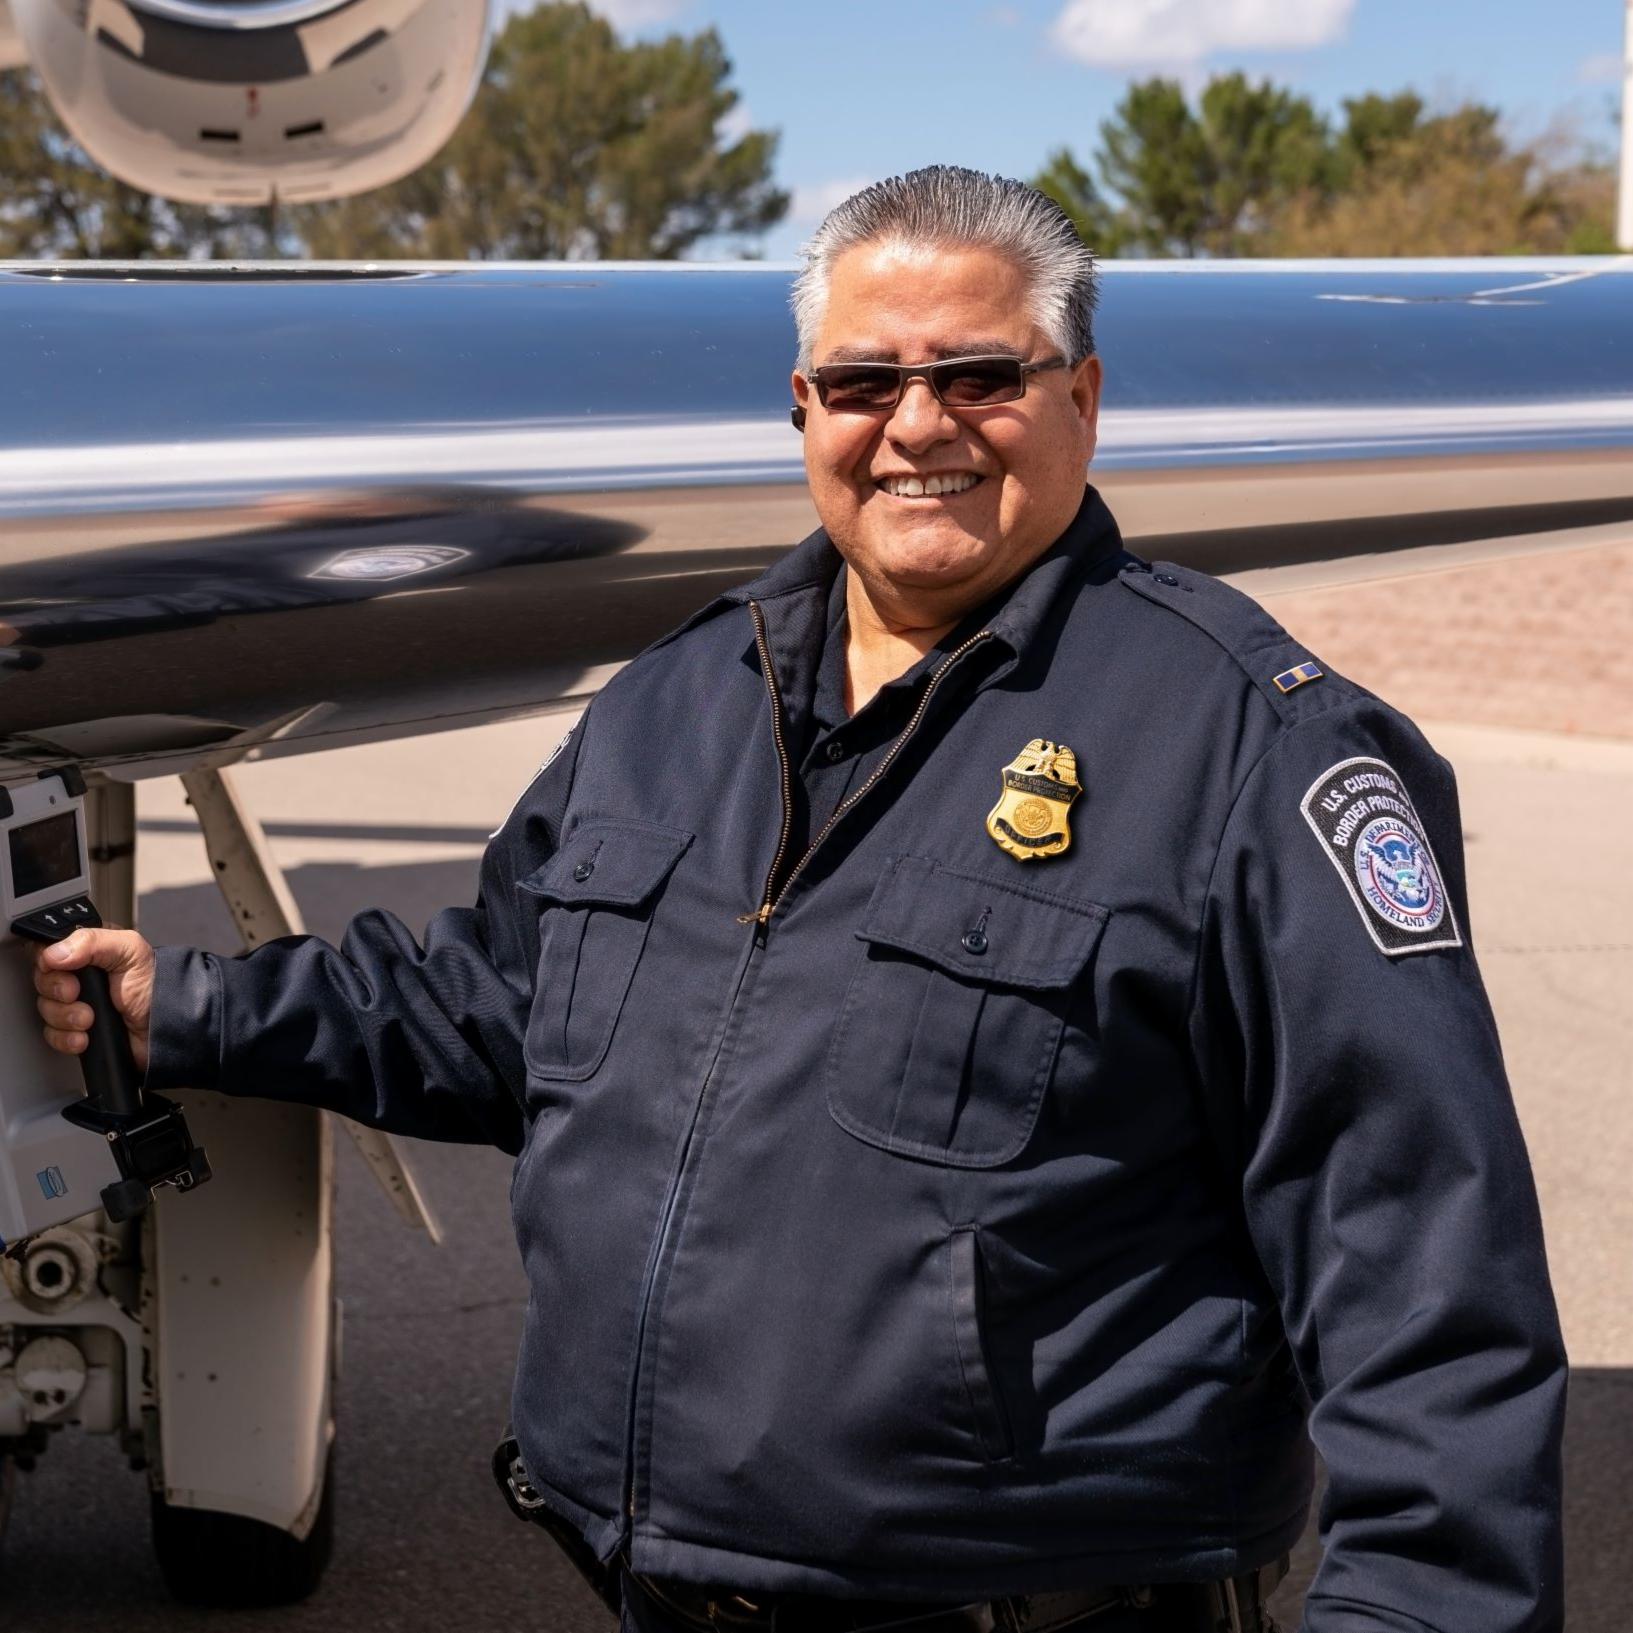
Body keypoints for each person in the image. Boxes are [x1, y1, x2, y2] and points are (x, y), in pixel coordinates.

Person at [33, 168, 1565, 1633]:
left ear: (1082, 398)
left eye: (980, 375)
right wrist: (193, 1004)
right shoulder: (679, 699)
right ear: (802, 410)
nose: (918, 424)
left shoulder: (1247, 748)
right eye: (862, 383)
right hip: (653, 1592)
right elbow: (500, 1002)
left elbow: (1421, 1273)